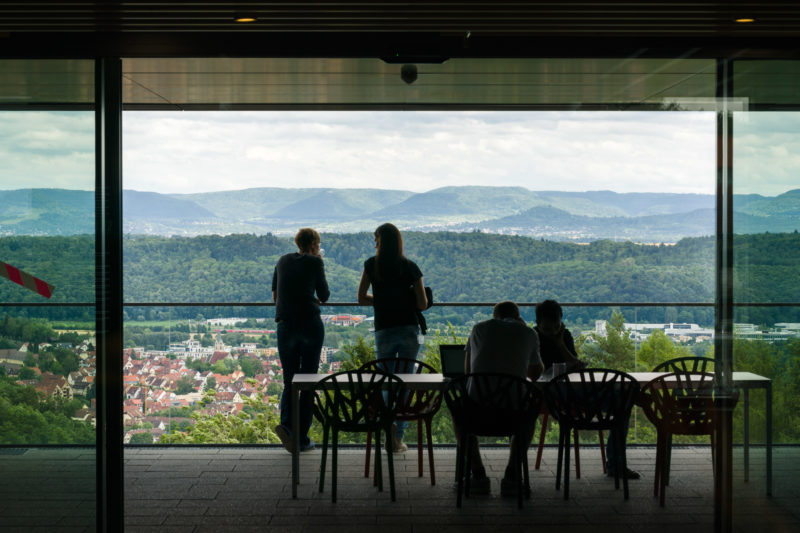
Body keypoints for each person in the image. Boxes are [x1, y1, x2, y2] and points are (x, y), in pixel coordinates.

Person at [534, 299, 640, 480]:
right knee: (620, 402)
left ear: (560, 323)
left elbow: (575, 363)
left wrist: (560, 343)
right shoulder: (533, 337)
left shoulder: (563, 335)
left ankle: (616, 464)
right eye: (547, 329)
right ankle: (615, 464)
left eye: (555, 327)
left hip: (567, 393)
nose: (551, 332)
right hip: (552, 396)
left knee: (622, 401)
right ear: (538, 324)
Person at [460, 300, 544, 496]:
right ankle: (512, 475)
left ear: (494, 316)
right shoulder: (529, 333)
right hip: (513, 415)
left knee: (460, 419)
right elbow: (536, 373)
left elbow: (467, 371)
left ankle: (478, 475)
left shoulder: (479, 329)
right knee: (529, 417)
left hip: (477, 413)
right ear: (518, 316)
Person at [357, 222, 428, 453]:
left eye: (375, 238)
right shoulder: (410, 267)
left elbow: (361, 298)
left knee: (385, 381)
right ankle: (397, 437)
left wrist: (382, 301)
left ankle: (387, 428)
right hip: (408, 328)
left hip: (383, 329)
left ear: (380, 241)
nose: (374, 242)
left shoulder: (371, 265)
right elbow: (422, 304)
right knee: (405, 381)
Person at [272, 228, 330, 454]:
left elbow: (276, 296)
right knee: (307, 382)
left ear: (297, 242)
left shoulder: (282, 260)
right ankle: (302, 439)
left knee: (290, 381)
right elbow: (324, 295)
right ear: (315, 243)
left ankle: (286, 426)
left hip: (285, 324)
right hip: (309, 324)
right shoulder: (316, 262)